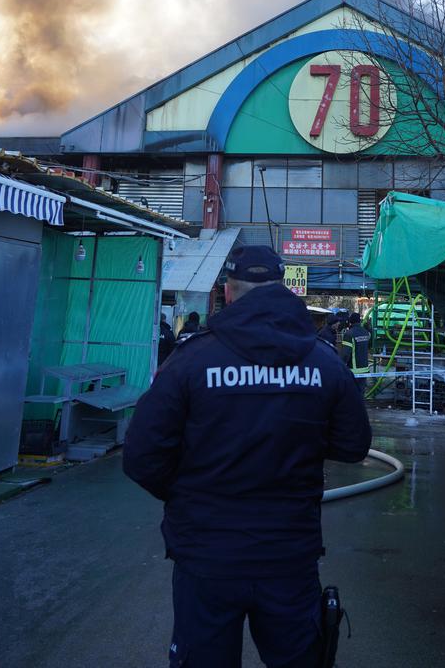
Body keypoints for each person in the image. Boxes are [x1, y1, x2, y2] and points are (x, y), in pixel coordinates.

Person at [123, 245, 371, 668]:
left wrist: (189, 496)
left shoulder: (191, 360)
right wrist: (299, 442)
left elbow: (141, 456)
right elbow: (353, 445)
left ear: (228, 291)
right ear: (283, 288)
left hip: (206, 553)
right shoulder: (324, 361)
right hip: (288, 553)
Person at [340, 312, 371, 395]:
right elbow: (369, 346)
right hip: (365, 370)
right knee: (361, 394)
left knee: (351, 395)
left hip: (353, 371)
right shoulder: (366, 332)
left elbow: (346, 354)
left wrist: (341, 366)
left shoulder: (349, 334)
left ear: (350, 322)